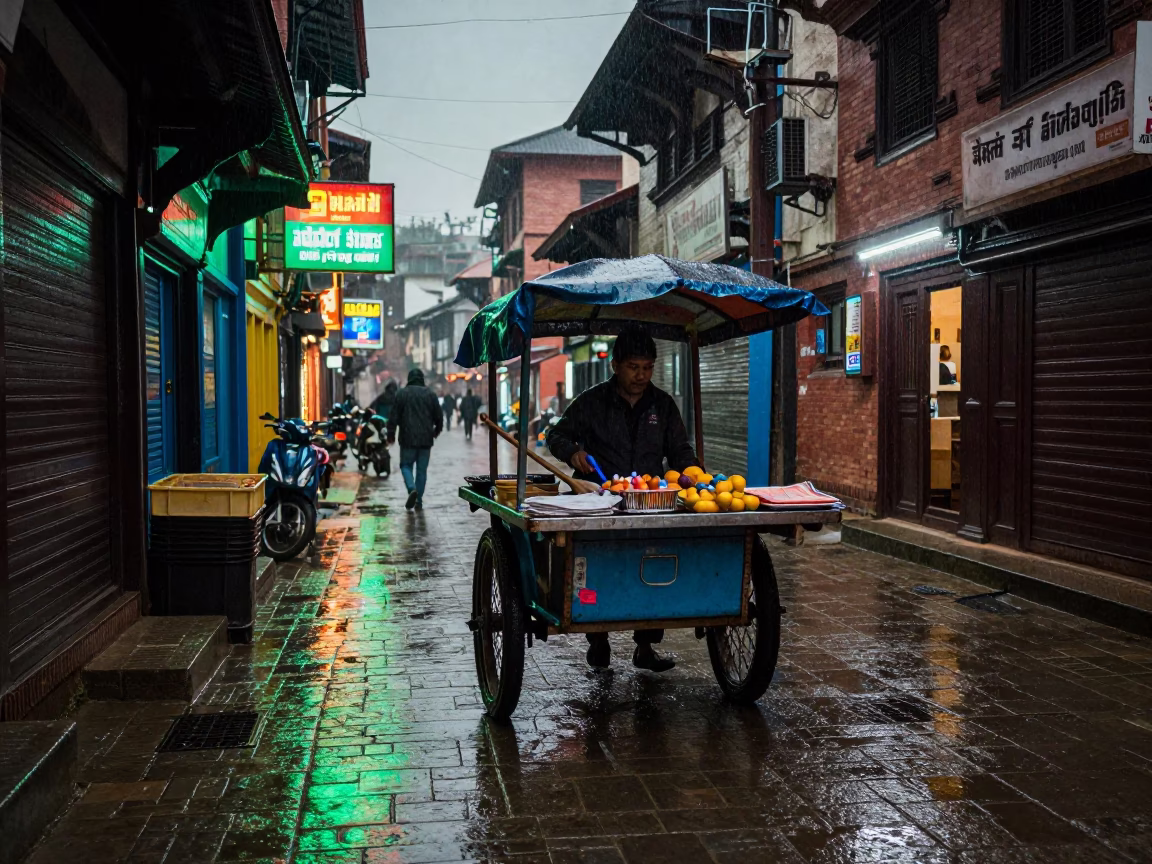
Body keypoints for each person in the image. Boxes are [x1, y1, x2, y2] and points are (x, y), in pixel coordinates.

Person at [547, 325, 697, 673]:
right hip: (598, 503)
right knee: (601, 569)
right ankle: (597, 637)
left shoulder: (663, 404)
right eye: (633, 367)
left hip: (649, 504)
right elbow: (557, 434)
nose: (641, 375)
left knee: (652, 570)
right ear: (615, 365)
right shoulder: (591, 402)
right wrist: (572, 455)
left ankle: (645, 647)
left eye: (647, 367)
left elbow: (679, 450)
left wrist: (691, 472)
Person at [387, 368, 443, 510]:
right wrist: (436, 431)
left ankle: (411, 488)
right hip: (426, 439)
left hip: (407, 438)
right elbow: (439, 416)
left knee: (405, 465)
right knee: (422, 471)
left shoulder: (401, 394)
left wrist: (391, 434)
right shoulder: (431, 394)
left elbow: (393, 416)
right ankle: (418, 500)